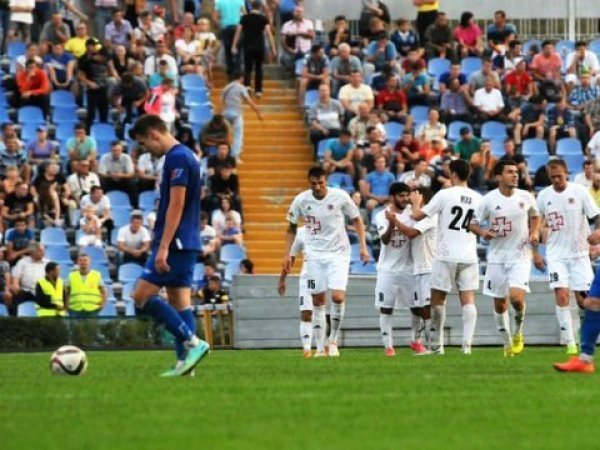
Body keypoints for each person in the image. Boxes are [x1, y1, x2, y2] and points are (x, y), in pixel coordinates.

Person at [128, 114, 209, 377]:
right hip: (186, 241)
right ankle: (185, 365)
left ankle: (193, 343)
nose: (145, 150)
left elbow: (177, 203)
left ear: (154, 134)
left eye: (144, 143)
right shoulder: (186, 156)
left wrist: (163, 246)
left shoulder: (177, 158)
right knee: (179, 303)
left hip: (176, 242)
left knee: (141, 296)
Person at [283, 166, 370, 357]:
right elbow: (291, 228)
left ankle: (333, 340)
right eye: (313, 184)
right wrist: (287, 254)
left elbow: (357, 220)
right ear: (309, 182)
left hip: (338, 253)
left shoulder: (340, 196)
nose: (317, 187)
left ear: (326, 181)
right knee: (318, 300)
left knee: (338, 297)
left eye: (320, 183)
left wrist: (363, 247)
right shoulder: (301, 200)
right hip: (314, 255)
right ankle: (320, 348)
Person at [469, 160, 540, 356]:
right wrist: (483, 232)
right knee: (500, 305)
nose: (515, 175)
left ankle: (518, 333)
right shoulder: (488, 200)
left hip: (520, 255)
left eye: (516, 172)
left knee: (516, 298)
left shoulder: (526, 196)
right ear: (499, 176)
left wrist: (535, 232)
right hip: (497, 257)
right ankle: (507, 343)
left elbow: (535, 216)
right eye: (510, 172)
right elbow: (472, 223)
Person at [411, 159, 482, 355]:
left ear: (454, 174)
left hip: (445, 254)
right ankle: (466, 346)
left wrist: (416, 203)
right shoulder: (478, 197)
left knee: (437, 299)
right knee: (468, 299)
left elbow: (417, 216)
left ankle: (437, 347)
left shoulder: (444, 194)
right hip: (469, 255)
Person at [535, 159, 600, 355]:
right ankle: (570, 343)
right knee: (562, 294)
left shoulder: (580, 191)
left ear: (567, 173)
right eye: (553, 177)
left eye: (559, 176)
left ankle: (586, 339)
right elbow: (535, 222)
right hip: (556, 254)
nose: (556, 180)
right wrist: (535, 250)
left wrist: (597, 233)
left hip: (579, 254)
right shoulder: (543, 195)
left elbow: (597, 216)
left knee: (585, 301)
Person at [373, 182, 417, 356]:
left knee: (417, 307)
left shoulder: (412, 213)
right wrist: (392, 223)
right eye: (401, 196)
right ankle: (389, 346)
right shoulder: (381, 215)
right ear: (392, 197)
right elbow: (384, 240)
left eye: (407, 195)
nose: (405, 199)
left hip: (409, 268)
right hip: (387, 269)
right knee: (386, 308)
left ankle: (416, 341)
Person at [278, 225, 315, 356]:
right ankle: (307, 349)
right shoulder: (301, 232)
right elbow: (291, 258)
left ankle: (327, 345)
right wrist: (282, 279)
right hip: (307, 277)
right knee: (306, 312)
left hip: (325, 276)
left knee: (323, 312)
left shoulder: (329, 228)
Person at [232, 0, 275, 98]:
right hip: (259, 45)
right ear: (260, 7)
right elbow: (269, 34)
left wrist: (234, 45)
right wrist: (273, 48)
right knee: (259, 68)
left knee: (247, 67)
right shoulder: (263, 18)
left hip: (248, 45)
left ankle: (247, 86)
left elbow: (238, 32)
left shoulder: (244, 18)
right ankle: (258, 90)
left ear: (251, 7)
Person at [221, 71, 264, 159]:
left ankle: (225, 154)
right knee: (238, 136)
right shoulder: (241, 88)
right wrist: (258, 113)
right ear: (241, 78)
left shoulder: (226, 87)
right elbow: (249, 101)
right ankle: (234, 156)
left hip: (226, 113)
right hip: (236, 113)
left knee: (225, 135)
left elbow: (222, 101)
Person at [77, 38, 110, 129]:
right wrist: (89, 83)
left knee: (104, 112)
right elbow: (80, 76)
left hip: (103, 88)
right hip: (92, 90)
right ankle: (88, 131)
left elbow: (106, 72)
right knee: (91, 114)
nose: (103, 59)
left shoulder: (104, 62)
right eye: (102, 57)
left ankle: (103, 131)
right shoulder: (87, 62)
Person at [10, 242, 47, 316]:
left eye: (43, 250)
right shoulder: (22, 262)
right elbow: (16, 276)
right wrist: (15, 285)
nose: (43, 253)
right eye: (40, 251)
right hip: (25, 290)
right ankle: (15, 319)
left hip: (41, 291)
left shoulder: (48, 263)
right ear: (33, 252)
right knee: (15, 296)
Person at [66, 252, 106, 316]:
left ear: (89, 262)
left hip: (93, 309)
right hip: (75, 309)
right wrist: (66, 306)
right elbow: (67, 292)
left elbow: (103, 292)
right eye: (81, 260)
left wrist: (102, 305)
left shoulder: (97, 275)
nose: (83, 262)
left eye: (85, 260)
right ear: (77, 262)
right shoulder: (71, 275)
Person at [213, 0, 245, 80]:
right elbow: (244, 14)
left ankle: (230, 74)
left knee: (228, 52)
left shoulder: (219, 2)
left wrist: (220, 25)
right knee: (238, 51)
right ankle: (237, 73)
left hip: (225, 28)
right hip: (237, 28)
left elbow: (215, 17)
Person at [308, 83, 344, 151]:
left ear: (329, 91)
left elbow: (341, 117)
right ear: (318, 92)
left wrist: (339, 126)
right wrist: (322, 129)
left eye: (325, 90)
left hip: (335, 129)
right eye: (322, 91)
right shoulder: (314, 106)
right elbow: (313, 121)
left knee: (342, 134)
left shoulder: (337, 104)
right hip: (321, 130)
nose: (324, 93)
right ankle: (316, 153)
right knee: (313, 134)